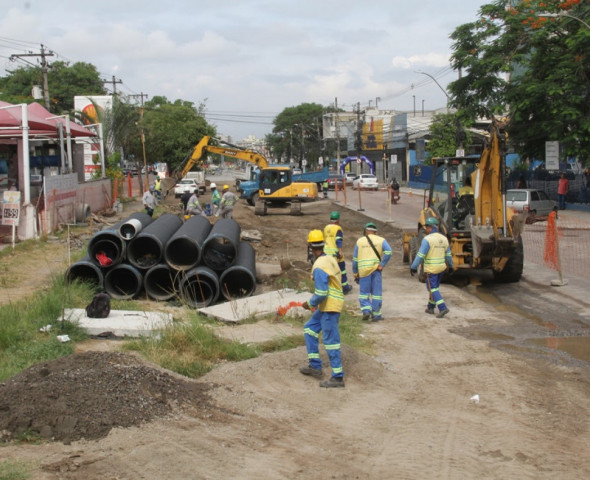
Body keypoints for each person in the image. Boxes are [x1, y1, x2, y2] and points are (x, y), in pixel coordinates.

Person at [299, 229, 345, 388]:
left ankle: (338, 377)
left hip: (330, 305)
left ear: (311, 247)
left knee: (331, 341)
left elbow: (322, 292)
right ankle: (315, 366)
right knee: (309, 329)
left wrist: (310, 304)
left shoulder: (319, 266)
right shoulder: (329, 259)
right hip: (329, 304)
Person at [410, 217, 454, 318]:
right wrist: (451, 266)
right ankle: (430, 307)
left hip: (431, 270)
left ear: (430, 228)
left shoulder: (427, 240)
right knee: (434, 288)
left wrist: (413, 267)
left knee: (432, 288)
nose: (426, 230)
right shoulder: (444, 239)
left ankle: (443, 308)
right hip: (441, 269)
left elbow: (420, 255)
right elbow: (448, 255)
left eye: (426, 228)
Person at [352, 222, 392, 322]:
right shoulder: (381, 240)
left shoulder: (360, 241)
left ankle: (366, 310)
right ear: (375, 231)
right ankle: (376, 315)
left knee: (364, 293)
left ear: (366, 231)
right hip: (376, 270)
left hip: (364, 271)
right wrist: (382, 264)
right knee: (376, 293)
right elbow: (389, 252)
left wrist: (355, 272)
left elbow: (355, 259)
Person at [323, 211, 353, 295]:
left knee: (329, 271)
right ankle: (344, 287)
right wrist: (340, 251)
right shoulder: (338, 228)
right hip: (335, 253)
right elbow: (338, 240)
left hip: (326, 253)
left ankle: (330, 288)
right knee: (342, 270)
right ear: (338, 220)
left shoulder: (326, 228)